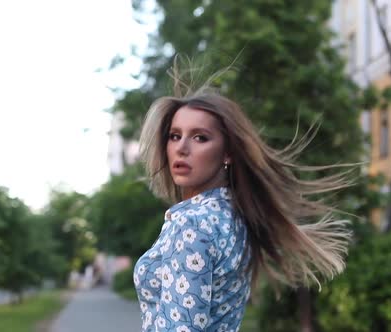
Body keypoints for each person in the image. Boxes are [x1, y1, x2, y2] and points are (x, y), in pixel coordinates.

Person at [133, 76, 351, 331]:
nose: (181, 148)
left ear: (227, 153)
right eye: (174, 135)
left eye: (200, 138)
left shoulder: (191, 224)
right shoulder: (234, 218)